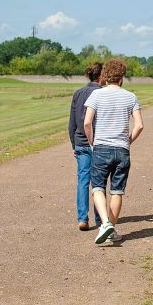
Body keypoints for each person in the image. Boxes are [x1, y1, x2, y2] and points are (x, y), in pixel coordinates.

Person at [83, 59, 144, 244]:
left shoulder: (96, 95)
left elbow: (87, 123)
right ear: (122, 77)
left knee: (98, 188)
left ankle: (105, 223)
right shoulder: (131, 97)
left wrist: (92, 142)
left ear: (105, 76)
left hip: (101, 147)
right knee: (117, 191)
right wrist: (128, 141)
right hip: (122, 149)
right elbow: (139, 125)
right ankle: (111, 230)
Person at [68, 62, 103, 230]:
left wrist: (73, 144)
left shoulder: (78, 93)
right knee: (98, 181)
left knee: (83, 180)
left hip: (80, 141)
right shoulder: (102, 93)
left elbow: (72, 122)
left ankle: (82, 218)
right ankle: (100, 217)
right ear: (101, 76)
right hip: (97, 142)